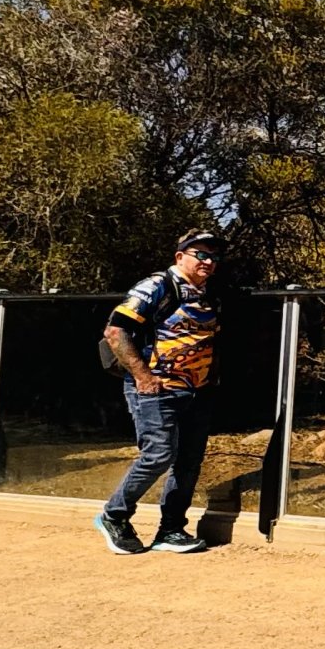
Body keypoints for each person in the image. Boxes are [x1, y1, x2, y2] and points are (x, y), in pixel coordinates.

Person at [97, 231, 223, 556]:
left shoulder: (208, 294)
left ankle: (171, 529)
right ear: (180, 256)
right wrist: (143, 377)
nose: (208, 261)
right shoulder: (157, 286)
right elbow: (115, 331)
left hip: (196, 391)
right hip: (156, 389)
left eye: (213, 257)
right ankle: (114, 515)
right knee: (158, 454)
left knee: (189, 462)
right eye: (201, 254)